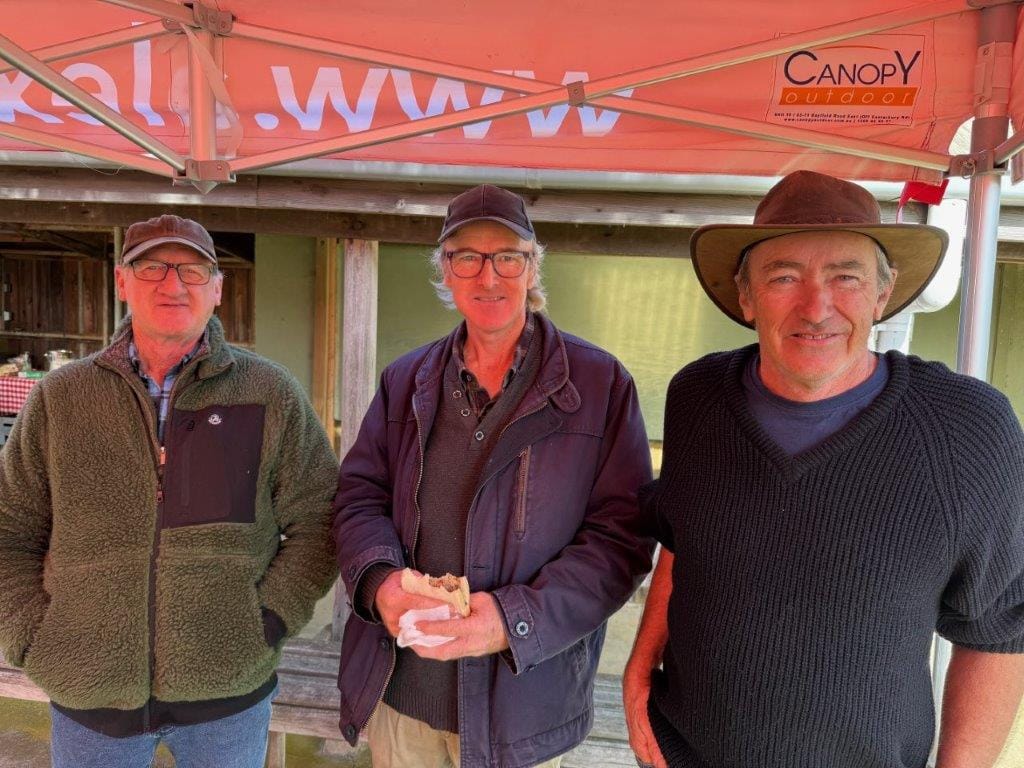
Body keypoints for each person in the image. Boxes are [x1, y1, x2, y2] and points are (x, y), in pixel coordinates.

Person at [624, 171, 1024, 768]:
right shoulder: (697, 396)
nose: (817, 308)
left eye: (846, 277)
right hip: (682, 752)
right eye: (784, 277)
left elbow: (998, 630)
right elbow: (681, 542)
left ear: (882, 294)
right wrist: (638, 673)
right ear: (747, 297)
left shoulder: (966, 428)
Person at [0, 214, 339, 768]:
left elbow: (321, 518)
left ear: (217, 288)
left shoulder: (269, 391)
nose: (173, 284)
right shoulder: (60, 397)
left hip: (227, 694)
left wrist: (268, 620)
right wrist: (32, 636)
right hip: (88, 694)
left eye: (192, 269)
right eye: (152, 267)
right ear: (122, 281)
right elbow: (10, 528)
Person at [333, 184, 655, 767]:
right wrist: (380, 582)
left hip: (523, 714)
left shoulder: (600, 385)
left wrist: (511, 621)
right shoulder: (404, 380)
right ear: (446, 271)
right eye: (467, 258)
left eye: (508, 256)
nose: (489, 277)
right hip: (402, 701)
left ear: (532, 269)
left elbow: (621, 542)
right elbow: (359, 496)